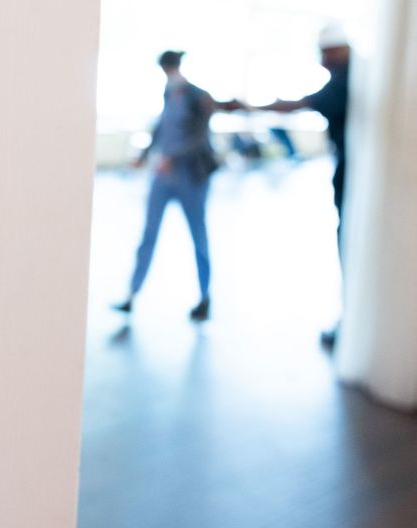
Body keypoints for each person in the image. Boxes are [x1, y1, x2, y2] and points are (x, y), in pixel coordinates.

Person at [115, 50, 242, 320]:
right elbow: (161, 127)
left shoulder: (197, 95)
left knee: (198, 236)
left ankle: (204, 296)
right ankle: (131, 294)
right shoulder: (168, 93)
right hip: (164, 175)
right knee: (148, 234)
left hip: (190, 176)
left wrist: (173, 156)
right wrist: (144, 155)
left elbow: (201, 137)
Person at [252, 24, 350, 347]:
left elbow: (307, 103)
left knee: (347, 240)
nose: (323, 61)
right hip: (346, 169)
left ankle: (349, 318)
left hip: (350, 172)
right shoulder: (346, 77)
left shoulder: (345, 79)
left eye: (326, 53)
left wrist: (255, 106)